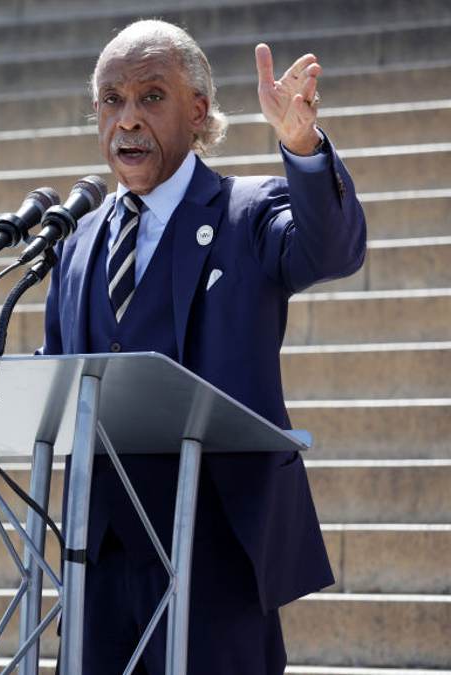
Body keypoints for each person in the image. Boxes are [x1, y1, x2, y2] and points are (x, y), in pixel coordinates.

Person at [38, 20, 367, 675]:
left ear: (197, 112)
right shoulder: (75, 243)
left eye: (151, 97)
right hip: (98, 554)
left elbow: (331, 249)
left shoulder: (246, 212)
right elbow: (57, 385)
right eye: (111, 100)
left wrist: (301, 144)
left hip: (215, 546)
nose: (126, 119)